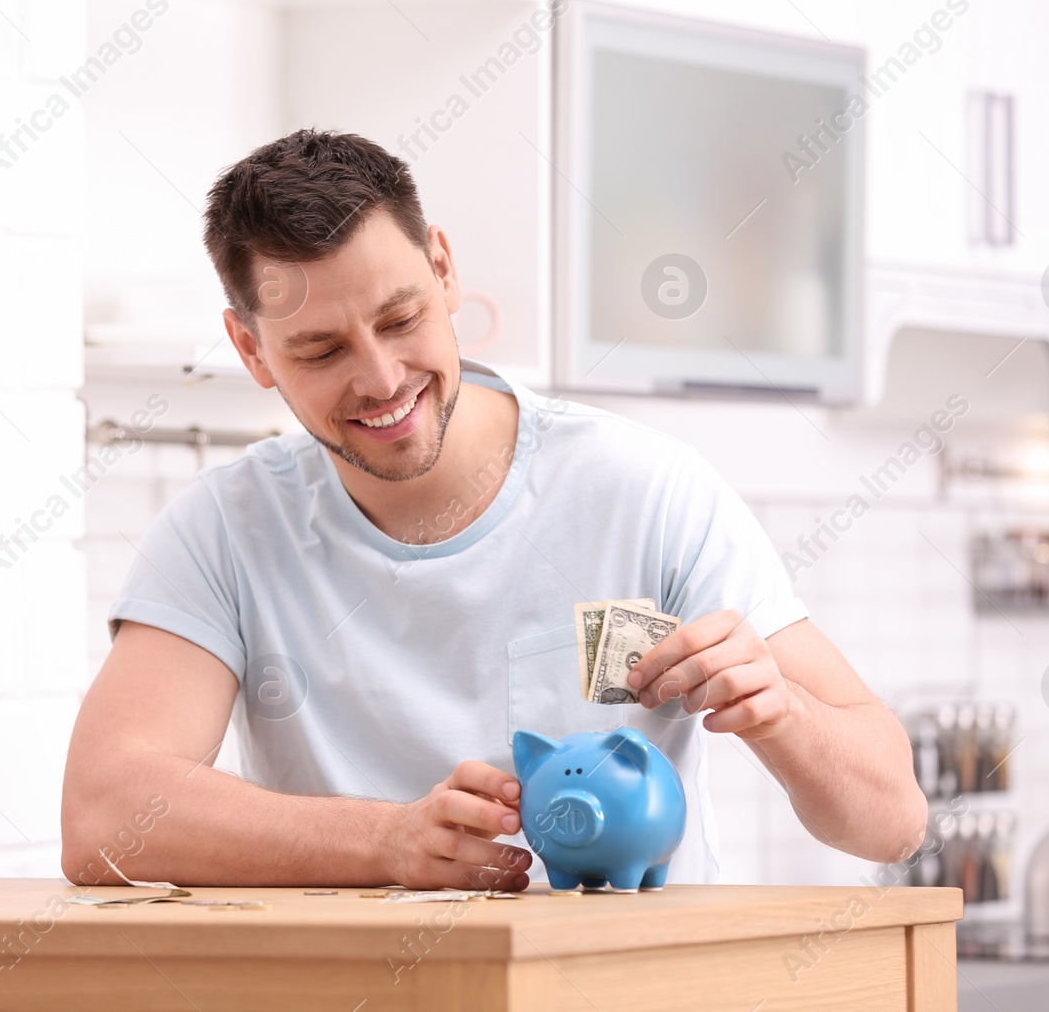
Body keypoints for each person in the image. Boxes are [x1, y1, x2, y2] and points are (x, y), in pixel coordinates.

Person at [60, 129, 927, 891]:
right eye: (320, 349)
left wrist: (784, 714)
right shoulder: (225, 528)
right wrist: (388, 841)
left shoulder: (645, 490)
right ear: (251, 349)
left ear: (443, 270)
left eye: (401, 318)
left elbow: (890, 821)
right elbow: (105, 816)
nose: (381, 379)